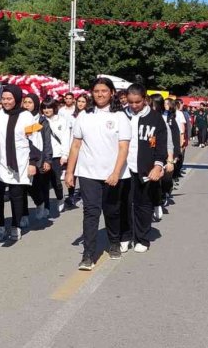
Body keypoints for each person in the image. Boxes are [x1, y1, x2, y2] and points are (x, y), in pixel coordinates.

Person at [65, 77, 131, 271]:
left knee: (112, 211)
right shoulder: (84, 116)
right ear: (91, 93)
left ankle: (114, 242)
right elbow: (75, 145)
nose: (100, 94)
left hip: (113, 174)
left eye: (104, 91)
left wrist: (116, 172)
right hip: (88, 173)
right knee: (91, 212)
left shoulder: (120, 117)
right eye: (96, 91)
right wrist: (70, 172)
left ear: (112, 93)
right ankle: (88, 254)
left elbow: (123, 147)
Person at [124, 85, 167, 253]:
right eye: (130, 102)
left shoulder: (155, 118)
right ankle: (125, 236)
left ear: (145, 99)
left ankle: (142, 238)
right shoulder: (122, 115)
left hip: (146, 169)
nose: (134, 105)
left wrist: (158, 165)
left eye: (137, 102)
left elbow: (161, 144)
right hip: (124, 168)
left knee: (143, 205)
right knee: (124, 203)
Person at [0, 85, 34, 242]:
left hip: (20, 162)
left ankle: (16, 224)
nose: (6, 102)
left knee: (17, 195)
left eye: (9, 99)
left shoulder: (27, 116)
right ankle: (0, 225)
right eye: (4, 99)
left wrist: (33, 162)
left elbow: (35, 140)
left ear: (17, 99)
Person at [22, 93, 53, 221]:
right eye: (25, 102)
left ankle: (41, 203)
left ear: (35, 104)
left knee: (37, 185)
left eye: (30, 102)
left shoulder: (42, 121)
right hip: (22, 156)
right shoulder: (19, 118)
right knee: (22, 188)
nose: (27, 105)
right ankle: (23, 215)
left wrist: (47, 160)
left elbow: (47, 142)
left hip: (38, 158)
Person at [42, 97, 69, 214]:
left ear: (54, 108)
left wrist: (65, 155)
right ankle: (46, 206)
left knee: (56, 182)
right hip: (43, 156)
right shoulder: (40, 120)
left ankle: (60, 198)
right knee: (44, 183)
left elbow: (66, 138)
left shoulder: (62, 120)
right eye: (44, 108)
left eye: (49, 107)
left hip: (56, 155)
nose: (46, 110)